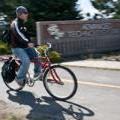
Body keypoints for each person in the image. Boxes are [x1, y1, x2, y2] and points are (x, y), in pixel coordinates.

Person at [10, 6, 41, 86]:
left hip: (25, 46)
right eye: (25, 13)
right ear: (20, 14)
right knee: (26, 61)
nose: (27, 14)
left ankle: (37, 74)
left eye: (27, 12)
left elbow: (26, 36)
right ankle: (19, 78)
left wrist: (34, 44)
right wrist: (28, 42)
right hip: (17, 48)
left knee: (37, 56)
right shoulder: (15, 23)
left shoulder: (22, 24)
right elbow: (19, 35)